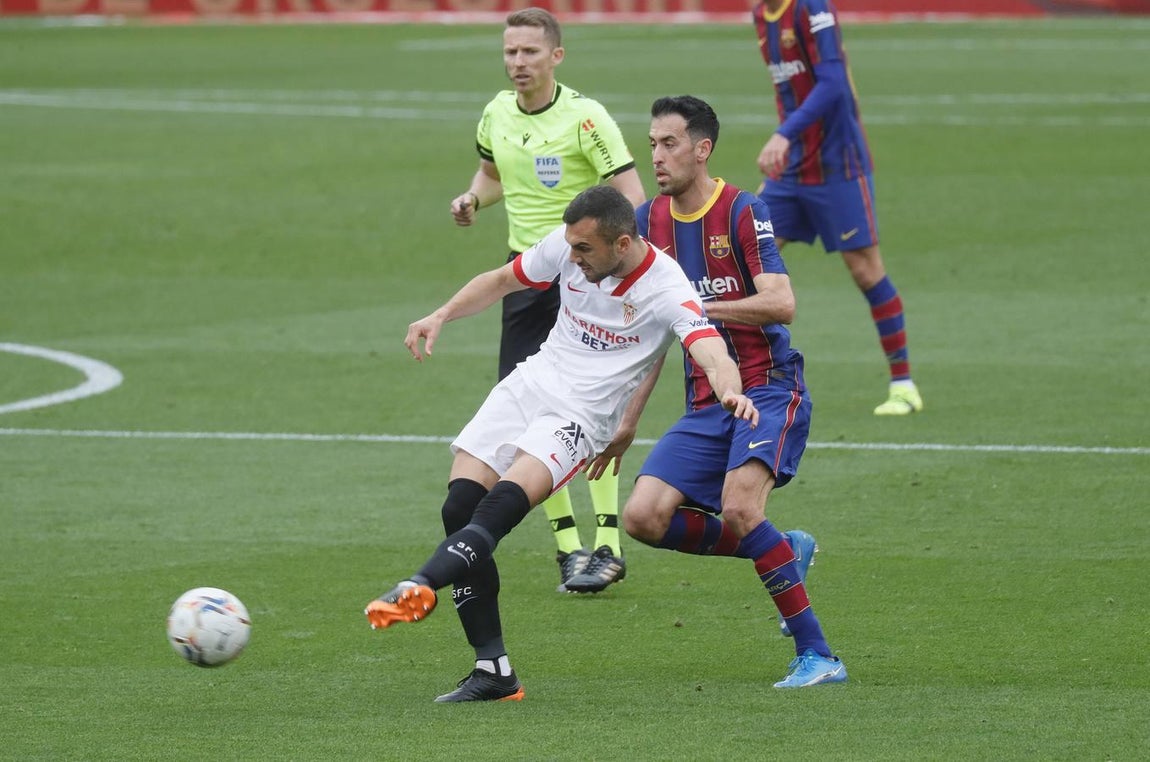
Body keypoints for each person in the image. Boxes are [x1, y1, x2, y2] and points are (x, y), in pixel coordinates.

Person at [366, 185, 758, 702]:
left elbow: (711, 351)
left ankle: (418, 584)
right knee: (459, 505)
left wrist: (730, 391)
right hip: (531, 382)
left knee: (499, 508)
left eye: (584, 251)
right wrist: (441, 314)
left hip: (580, 416)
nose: (571, 259)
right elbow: (504, 280)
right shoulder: (571, 243)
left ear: (622, 244)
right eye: (570, 248)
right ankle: (494, 672)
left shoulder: (667, 289)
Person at [606, 95, 847, 687]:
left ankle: (819, 657)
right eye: (652, 143)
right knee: (642, 518)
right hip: (706, 401)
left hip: (767, 388)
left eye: (669, 144)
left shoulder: (744, 209)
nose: (656, 156)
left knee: (741, 508)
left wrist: (697, 307)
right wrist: (628, 421)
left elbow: (781, 301)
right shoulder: (647, 225)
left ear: (702, 148)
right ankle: (778, 549)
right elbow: (649, 333)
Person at [449, 7, 647, 591]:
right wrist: (471, 199)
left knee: (587, 412)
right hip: (524, 285)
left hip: (583, 282)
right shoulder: (495, 114)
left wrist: (598, 252)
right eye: (511, 51)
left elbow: (632, 194)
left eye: (530, 52)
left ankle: (607, 544)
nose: (518, 62)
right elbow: (491, 174)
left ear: (555, 56)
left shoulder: (586, 119)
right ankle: (569, 552)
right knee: (528, 418)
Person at [752, 0, 923, 415]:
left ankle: (903, 385)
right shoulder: (761, 15)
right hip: (793, 170)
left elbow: (832, 85)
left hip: (838, 165)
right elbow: (788, 92)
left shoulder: (812, 8)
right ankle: (752, 378)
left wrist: (784, 134)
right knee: (746, 252)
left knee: (865, 270)